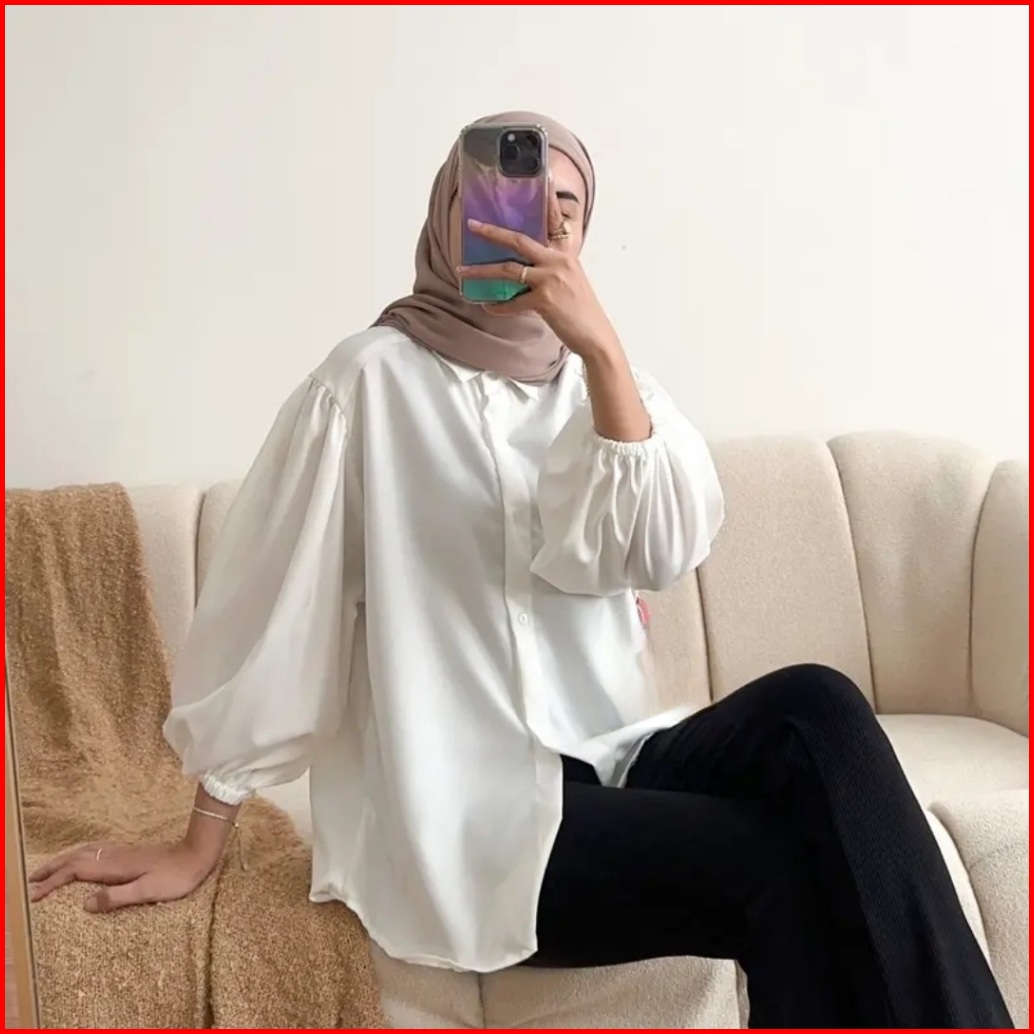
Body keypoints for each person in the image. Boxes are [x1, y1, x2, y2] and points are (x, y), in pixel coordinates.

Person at [30, 112, 1013, 1029]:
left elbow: (653, 549)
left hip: (614, 759)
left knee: (817, 703)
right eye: (499, 198)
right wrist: (199, 839)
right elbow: (279, 616)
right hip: (474, 816)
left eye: (563, 207)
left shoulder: (608, 386)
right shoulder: (365, 385)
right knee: (774, 861)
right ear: (448, 214)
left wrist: (602, 354)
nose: (533, 223)